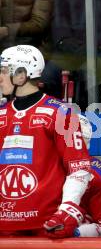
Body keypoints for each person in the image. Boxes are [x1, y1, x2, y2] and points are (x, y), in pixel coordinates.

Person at [0, 45, 92, 238]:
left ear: (21, 75)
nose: (0, 76)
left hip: (46, 226)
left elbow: (79, 167)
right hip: (4, 225)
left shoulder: (61, 113)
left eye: (4, 70)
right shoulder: (1, 114)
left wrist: (67, 209)